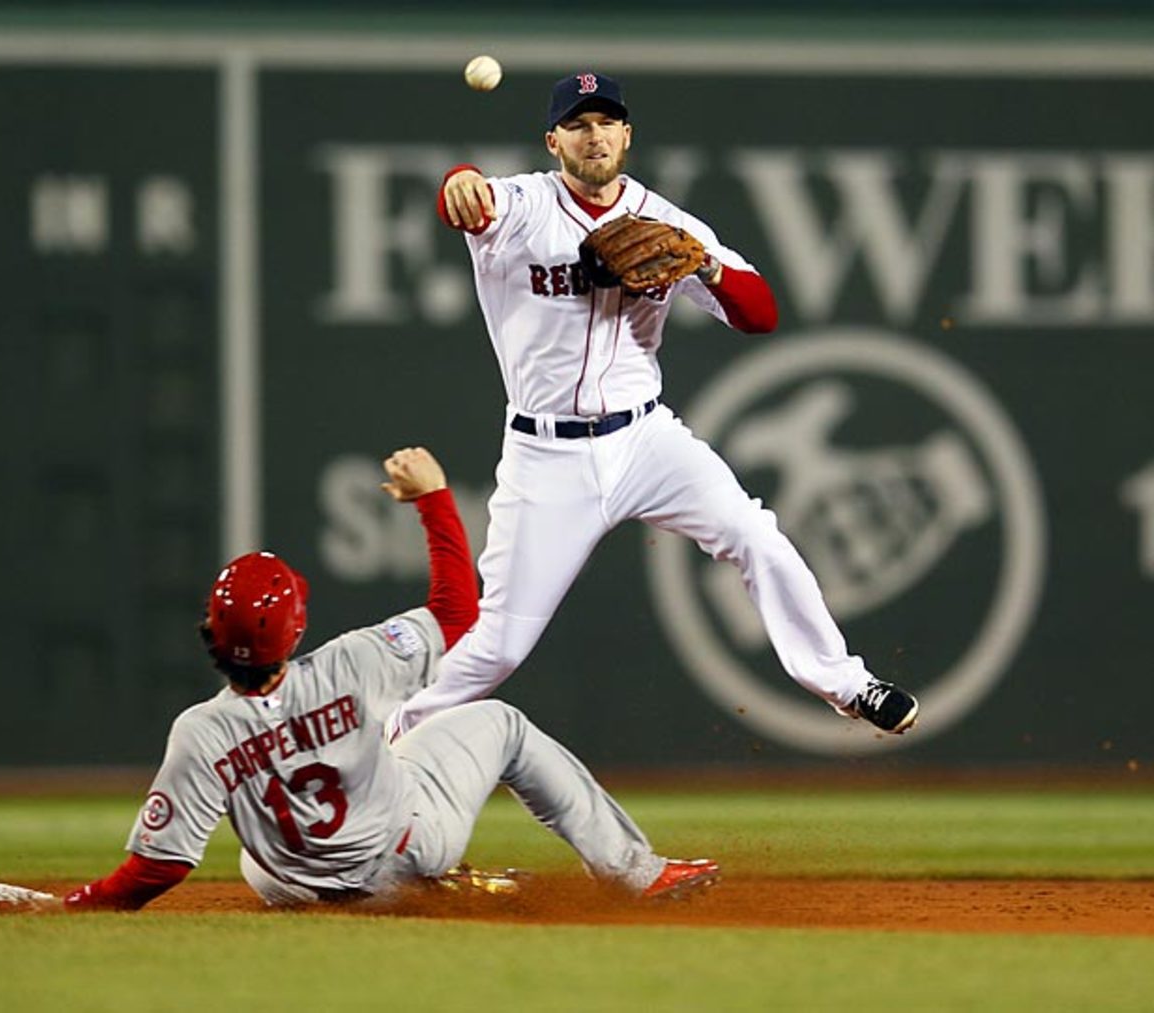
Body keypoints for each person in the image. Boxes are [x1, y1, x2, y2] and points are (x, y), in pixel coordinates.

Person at [386, 72, 918, 744]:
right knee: (499, 647)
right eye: (578, 124)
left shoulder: (667, 221)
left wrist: (708, 269)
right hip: (546, 452)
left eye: (606, 121)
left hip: (645, 440)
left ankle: (846, 683)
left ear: (627, 134)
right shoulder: (521, 205)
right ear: (553, 140)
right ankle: (387, 737)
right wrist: (459, 178)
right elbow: (466, 202)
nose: (595, 134)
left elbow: (761, 314)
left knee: (755, 535)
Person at [63, 447, 718, 910]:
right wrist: (433, 498)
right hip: (407, 850)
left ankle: (368, 889)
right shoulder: (349, 664)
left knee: (260, 852)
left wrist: (87, 899)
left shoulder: (201, 731)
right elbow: (458, 614)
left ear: (211, 630)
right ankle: (635, 871)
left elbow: (161, 865)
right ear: (292, 628)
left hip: (291, 886)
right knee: (504, 727)